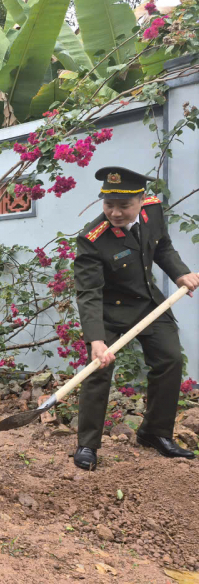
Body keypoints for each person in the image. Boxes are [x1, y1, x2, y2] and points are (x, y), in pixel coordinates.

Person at [73, 166, 199, 470]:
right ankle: (87, 445)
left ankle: (155, 433)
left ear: (141, 201)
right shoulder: (92, 239)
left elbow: (162, 247)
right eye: (108, 205)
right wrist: (97, 340)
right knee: (99, 370)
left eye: (123, 206)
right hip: (110, 311)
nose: (115, 213)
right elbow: (88, 292)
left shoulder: (152, 212)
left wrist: (180, 273)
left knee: (169, 359)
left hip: (148, 305)